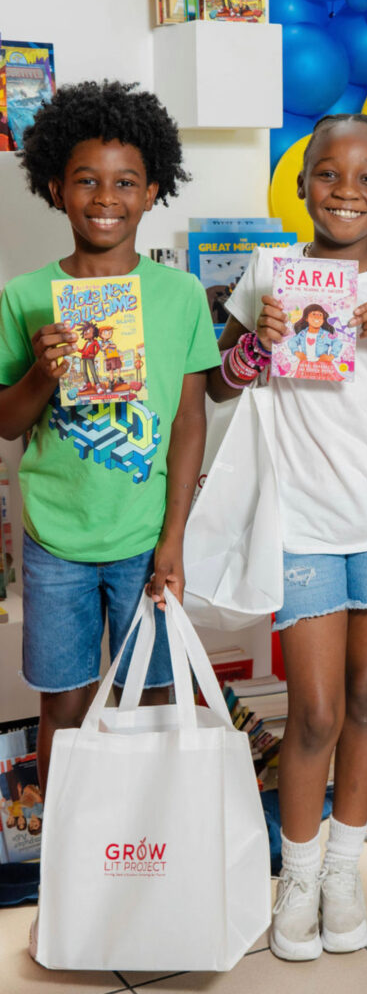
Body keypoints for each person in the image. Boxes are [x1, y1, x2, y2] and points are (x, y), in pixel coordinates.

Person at [208, 112, 367, 961]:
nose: (346, 191)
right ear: (302, 180)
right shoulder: (271, 273)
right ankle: (300, 876)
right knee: (310, 712)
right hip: (300, 523)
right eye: (327, 174)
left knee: (365, 702)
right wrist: (255, 349)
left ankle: (345, 872)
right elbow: (220, 384)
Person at [0, 80, 221, 797]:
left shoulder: (180, 294)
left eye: (126, 182)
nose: (105, 198)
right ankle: (69, 850)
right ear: (56, 189)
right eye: (86, 181)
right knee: (64, 702)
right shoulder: (23, 295)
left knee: (153, 697)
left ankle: (149, 843)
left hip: (145, 537)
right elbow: (7, 419)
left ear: (153, 189)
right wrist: (43, 370)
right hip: (55, 537)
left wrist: (174, 540)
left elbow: (191, 420)